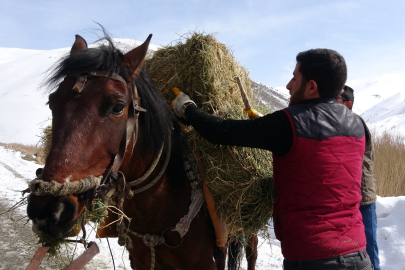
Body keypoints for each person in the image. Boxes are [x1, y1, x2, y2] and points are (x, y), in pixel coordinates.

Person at [172, 48, 374, 270]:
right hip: (358, 255)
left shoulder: (290, 123)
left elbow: (223, 131)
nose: (288, 85)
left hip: (312, 259)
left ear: (311, 87)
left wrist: (189, 109)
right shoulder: (357, 125)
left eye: (294, 78)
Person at [336, 85, 380, 270]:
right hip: (349, 198)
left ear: (348, 104)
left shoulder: (355, 123)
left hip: (363, 198)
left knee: (369, 251)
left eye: (336, 99)